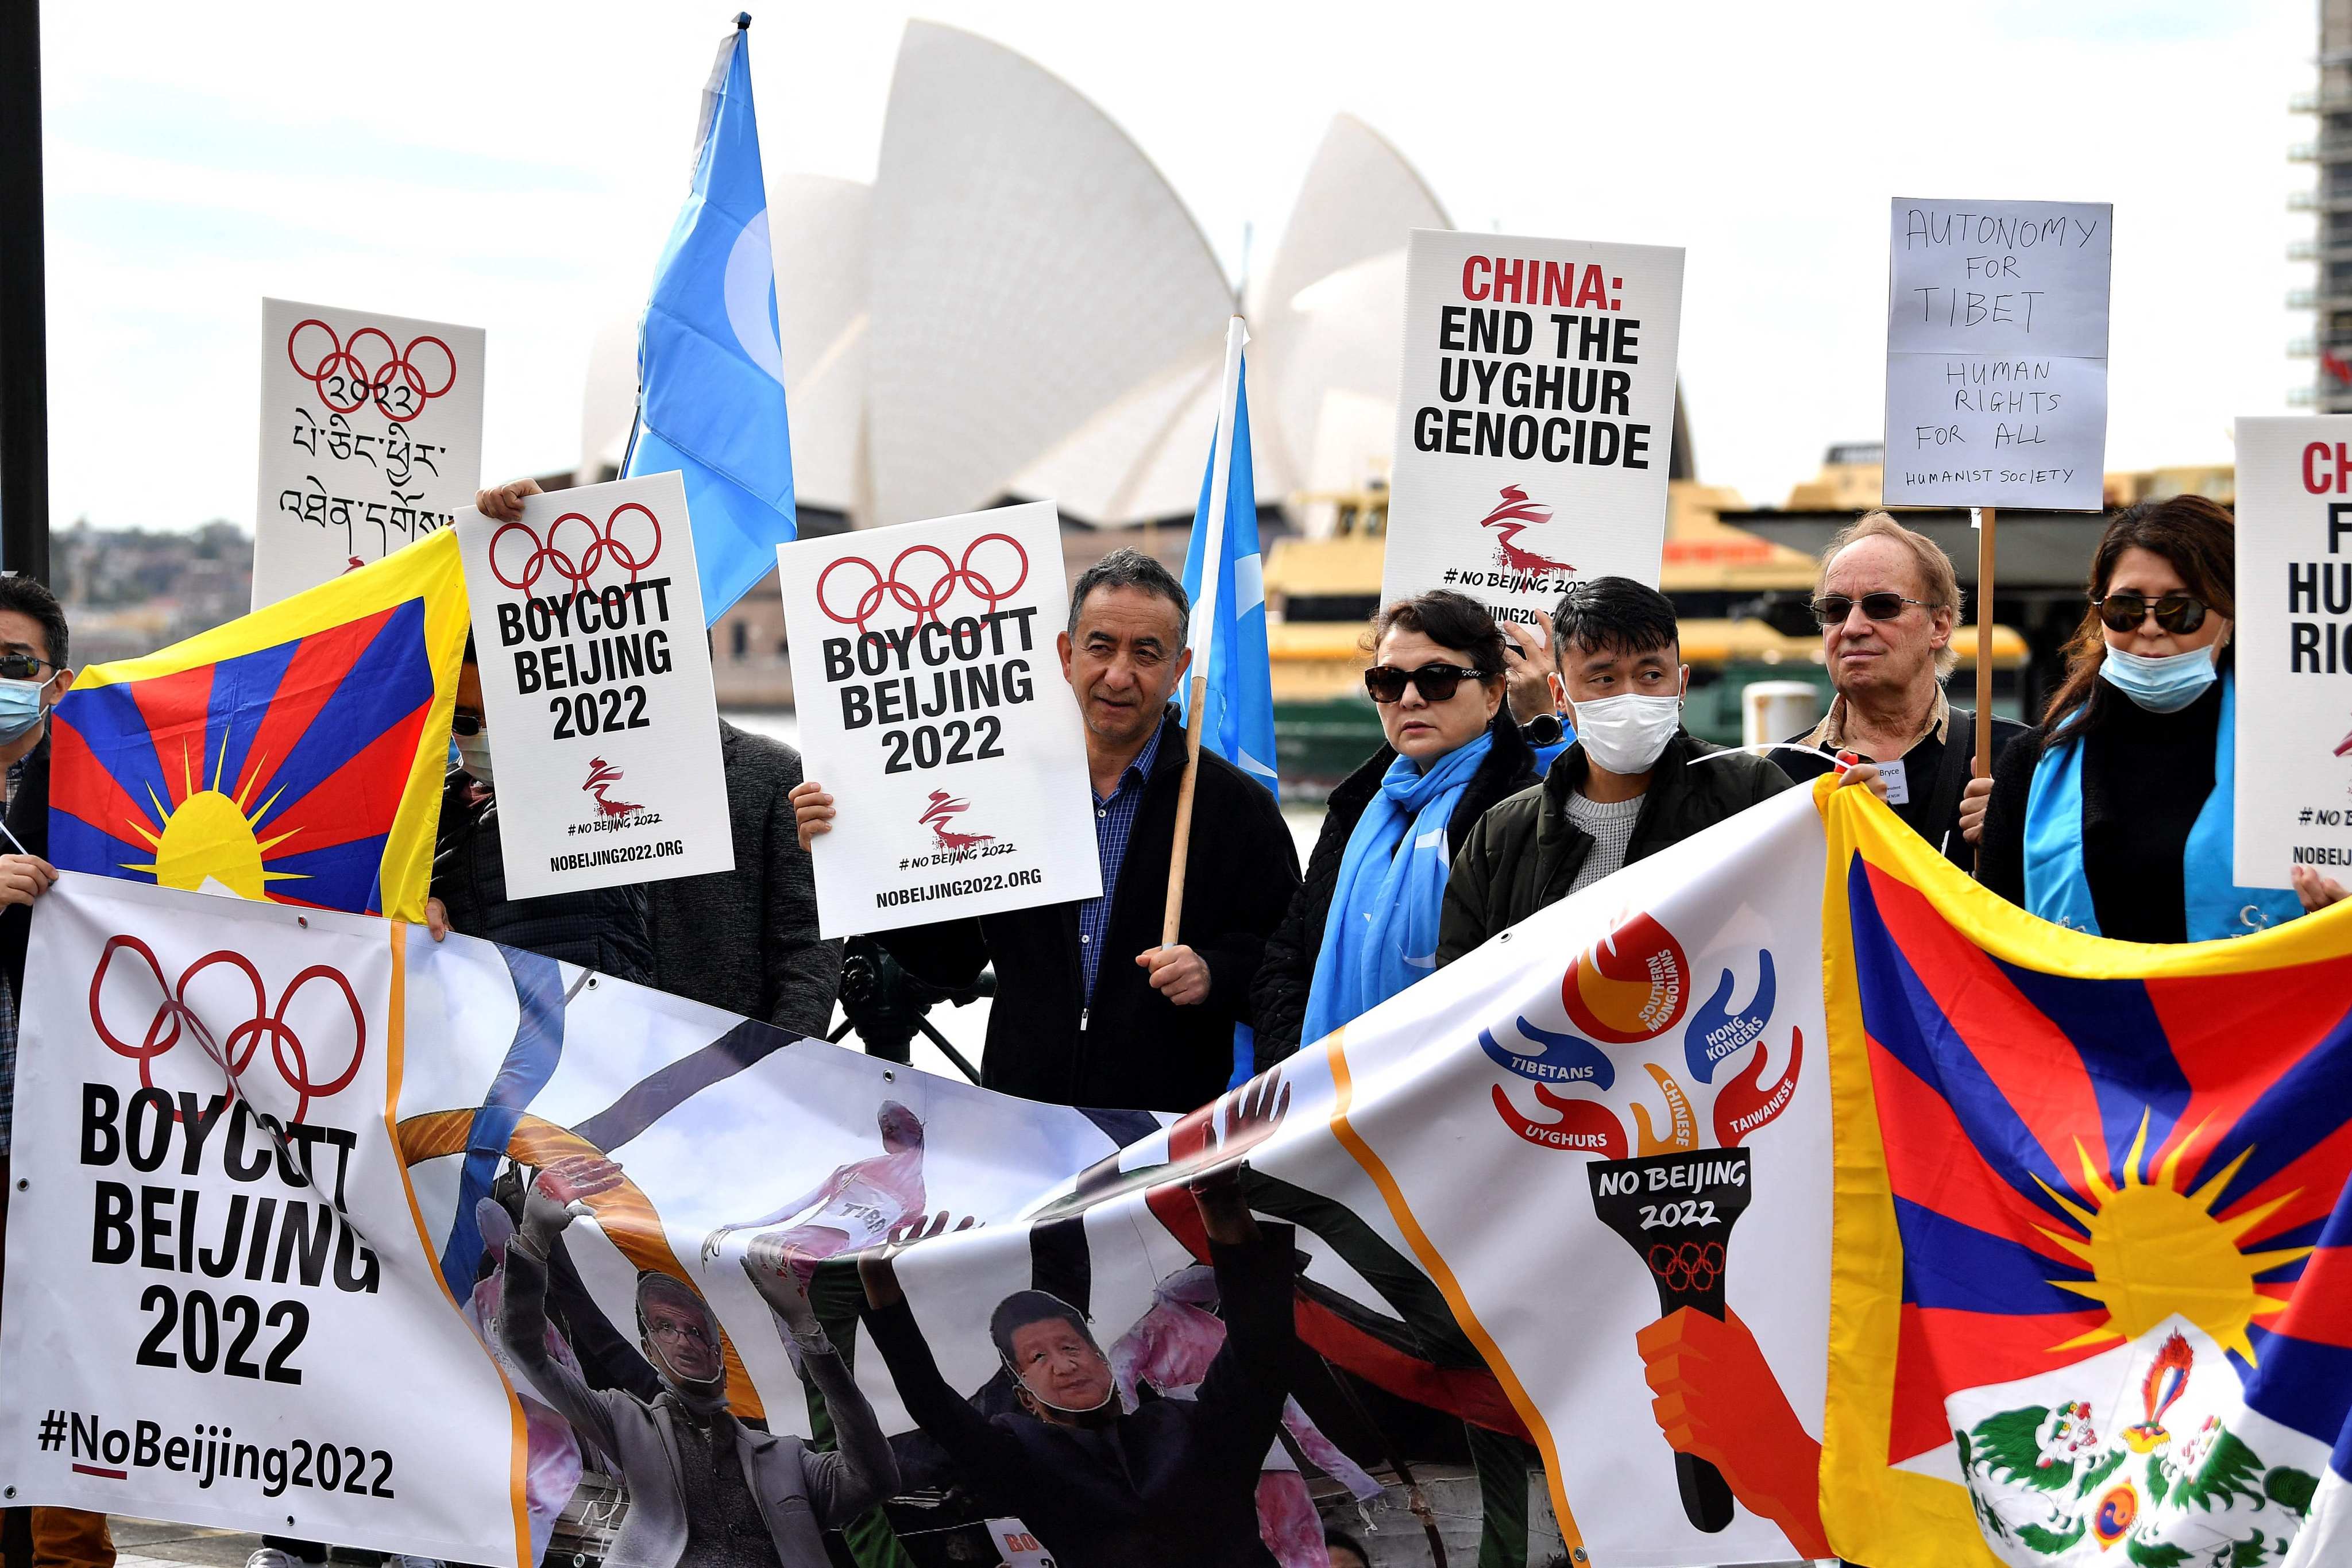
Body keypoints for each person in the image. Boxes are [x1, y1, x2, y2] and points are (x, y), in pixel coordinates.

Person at [793, 549, 1299, 1112]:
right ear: (1066, 654)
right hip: (1020, 1122)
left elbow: (1290, 965)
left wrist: (1214, 971)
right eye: (1101, 647)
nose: (1118, 675)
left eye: (1146, 653)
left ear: (1179, 670)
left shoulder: (1234, 808)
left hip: (1166, 1132)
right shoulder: (1003, 791)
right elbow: (950, 959)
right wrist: (850, 857)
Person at [476, 480, 840, 1033]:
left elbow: (805, 947)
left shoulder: (771, 776)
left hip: (723, 1080)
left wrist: (778, 1074)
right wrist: (508, 529)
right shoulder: (535, 781)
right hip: (577, 1074)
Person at [857, 1164, 1296, 1568]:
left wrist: (1219, 1201)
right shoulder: (1023, 1461)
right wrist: (882, 1286)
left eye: (1071, 1347)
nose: (1064, 1367)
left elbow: (1259, 1348)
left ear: (1104, 1363)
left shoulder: (1193, 1428)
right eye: (1038, 1358)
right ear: (1025, 1397)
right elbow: (934, 1405)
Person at [499, 1154, 898, 1568]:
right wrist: (533, 1238)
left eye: (696, 1331)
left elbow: (875, 1477)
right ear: (648, 1349)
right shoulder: (626, 1421)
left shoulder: (786, 1458)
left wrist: (807, 1331)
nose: (683, 1342)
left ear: (718, 1356)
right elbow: (526, 1348)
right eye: (665, 1328)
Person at [1970, 495, 2312, 941]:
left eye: (2181, 609)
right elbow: (1995, 943)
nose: (2150, 627)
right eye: (2125, 608)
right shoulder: (2031, 764)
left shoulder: (2300, 759)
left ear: (2230, 617)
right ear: (2099, 612)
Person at [1436, 578, 1798, 964]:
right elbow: (1462, 988)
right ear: (1560, 694)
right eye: (1603, 679)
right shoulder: (1502, 834)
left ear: (1681, 684)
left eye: (1651, 675)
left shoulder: (1752, 795)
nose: (1629, 696)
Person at [1252, 591, 1540, 1069]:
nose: (1409, 698)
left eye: (1437, 678)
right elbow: (1288, 956)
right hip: (1327, 1103)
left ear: (1493, 694)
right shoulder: (1356, 808)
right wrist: (1297, 1077)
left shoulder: (1520, 810)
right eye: (1388, 681)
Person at [0, 575, 114, 1568]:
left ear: (56, 682)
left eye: (12, 664)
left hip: (65, 1142)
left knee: (68, 1375)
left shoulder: (99, 796)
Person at [1771, 512, 2024, 866]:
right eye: (1835, 609)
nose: (1853, 627)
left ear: (1939, 626)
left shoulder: (2015, 758)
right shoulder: (1782, 775)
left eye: (1882, 606)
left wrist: (2022, 840)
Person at [424, 635, 655, 983]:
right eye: (468, 721)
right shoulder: (426, 820)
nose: (486, 733)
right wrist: (421, 914)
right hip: (494, 1025)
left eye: (503, 714)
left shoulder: (590, 786)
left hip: (596, 1019)